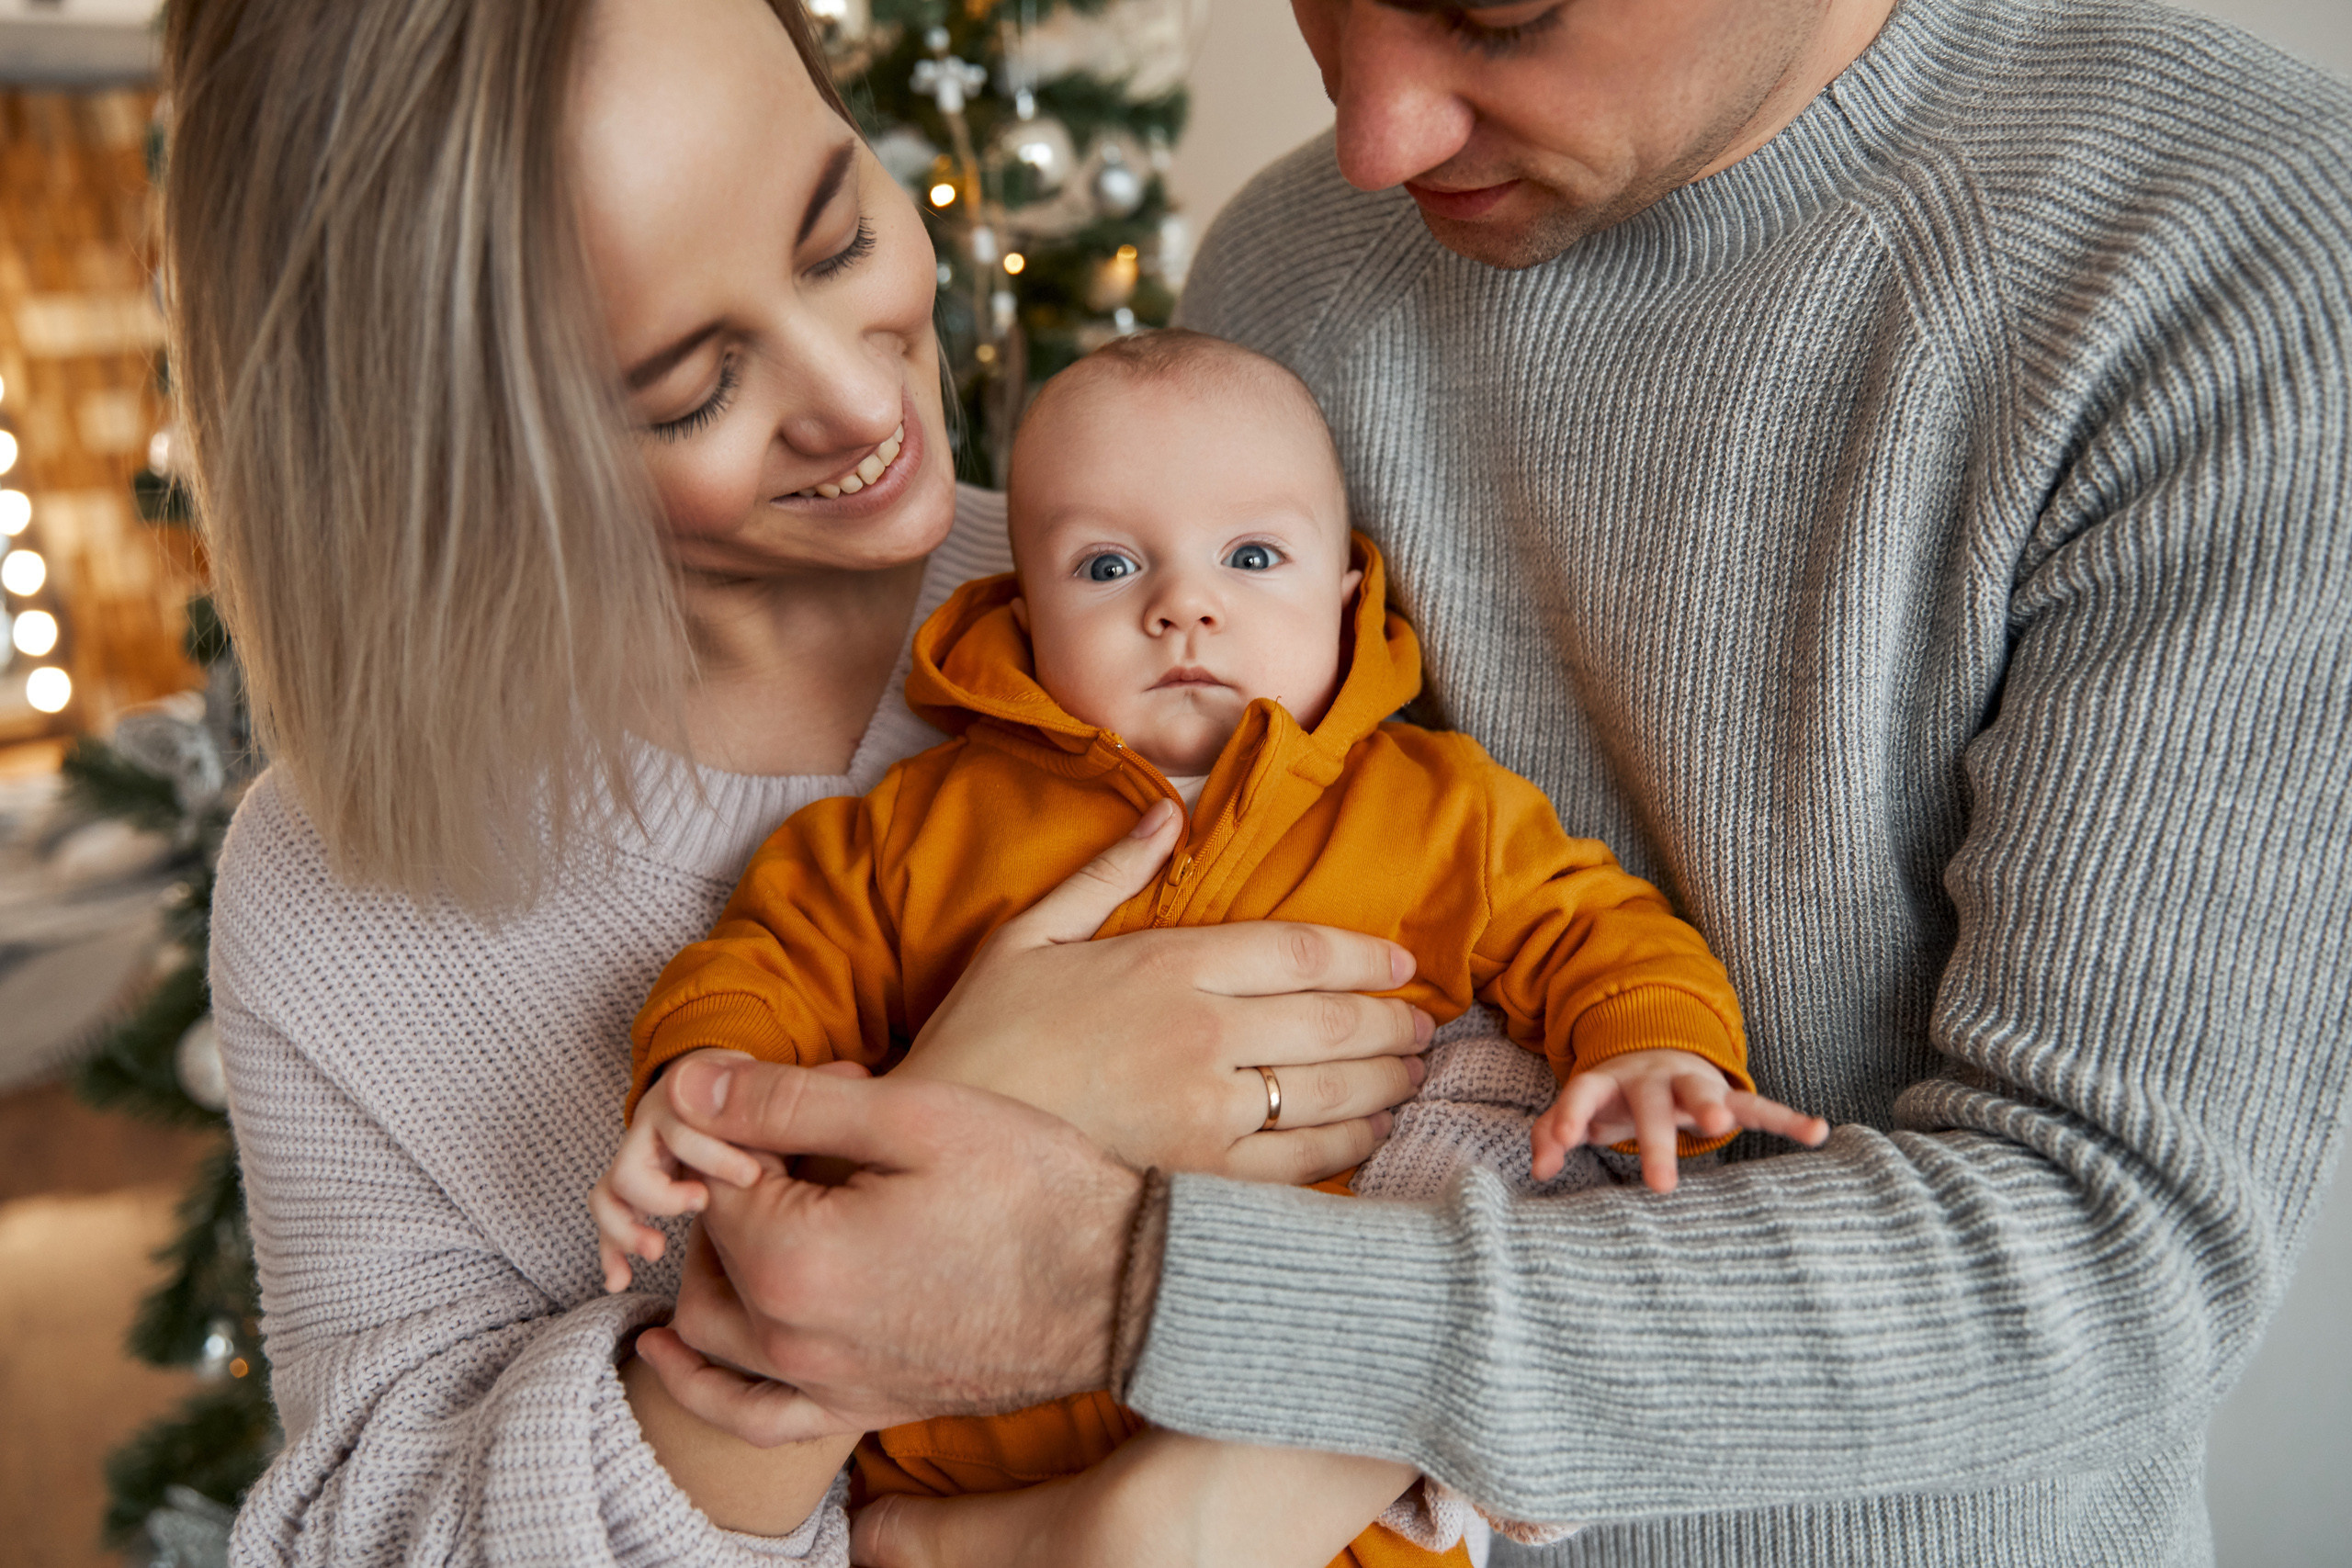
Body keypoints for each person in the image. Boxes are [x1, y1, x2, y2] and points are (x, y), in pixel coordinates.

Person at [634, 0, 2352, 1564]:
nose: (1375, 139)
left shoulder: (2228, 263)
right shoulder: (1294, 271)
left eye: (1498, 14)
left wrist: (1127, 1293)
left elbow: (2112, 1260)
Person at [176, 1, 1446, 1562]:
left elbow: (1512, 1119)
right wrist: (931, 1159)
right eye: (689, 390)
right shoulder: (342, 895)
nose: (861, 407)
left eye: (840, 236)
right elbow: (377, 1545)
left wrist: (1193, 1500)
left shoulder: (1192, 614)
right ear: (462, 452)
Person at [594, 332, 1830, 1565]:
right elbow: (773, 958)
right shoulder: (921, 826)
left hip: (1302, 1464)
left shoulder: (1436, 807)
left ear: (1346, 598)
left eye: (1250, 556)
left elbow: (1593, 924)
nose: (1181, 603)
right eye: (1107, 563)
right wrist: (696, 1083)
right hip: (966, 1432)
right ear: (1023, 616)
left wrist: (1653, 1045)